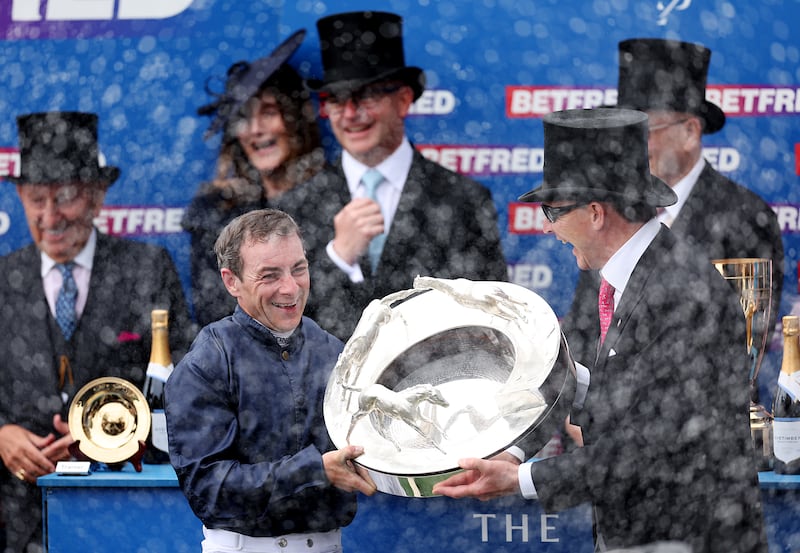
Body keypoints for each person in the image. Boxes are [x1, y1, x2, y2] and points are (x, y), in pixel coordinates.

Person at [433, 108, 768, 553]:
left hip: (690, 536)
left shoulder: (681, 292)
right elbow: (615, 388)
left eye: (553, 210)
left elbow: (655, 448)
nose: (548, 227)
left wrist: (523, 479)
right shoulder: (625, 276)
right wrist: (512, 448)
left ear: (595, 212)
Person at [0, 111, 194, 553]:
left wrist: (118, 437)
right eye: (36, 199)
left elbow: (184, 382)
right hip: (21, 520)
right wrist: (2, 436)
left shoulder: (147, 268)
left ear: (96, 197)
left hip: (124, 509)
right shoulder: (2, 281)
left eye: (65, 196)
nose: (50, 215)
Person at [562, 38, 784, 375]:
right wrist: (576, 408)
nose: (628, 147)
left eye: (641, 132)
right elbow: (585, 325)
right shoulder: (608, 211)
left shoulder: (744, 217)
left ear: (690, 132)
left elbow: (740, 345)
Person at [285, 10, 507, 341]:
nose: (350, 113)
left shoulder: (464, 200)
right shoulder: (296, 206)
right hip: (328, 390)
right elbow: (284, 328)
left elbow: (486, 321)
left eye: (367, 95)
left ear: (403, 100)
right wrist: (338, 257)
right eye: (337, 99)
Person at [165, 208, 376, 553]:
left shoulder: (333, 350)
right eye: (270, 275)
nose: (290, 288)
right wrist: (313, 471)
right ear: (231, 281)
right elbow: (209, 490)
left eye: (299, 269)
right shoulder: (209, 360)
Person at [183, 29, 327, 327]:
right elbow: (215, 320)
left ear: (296, 119)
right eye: (243, 117)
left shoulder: (334, 202)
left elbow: (335, 310)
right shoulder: (216, 214)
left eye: (270, 112)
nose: (256, 129)